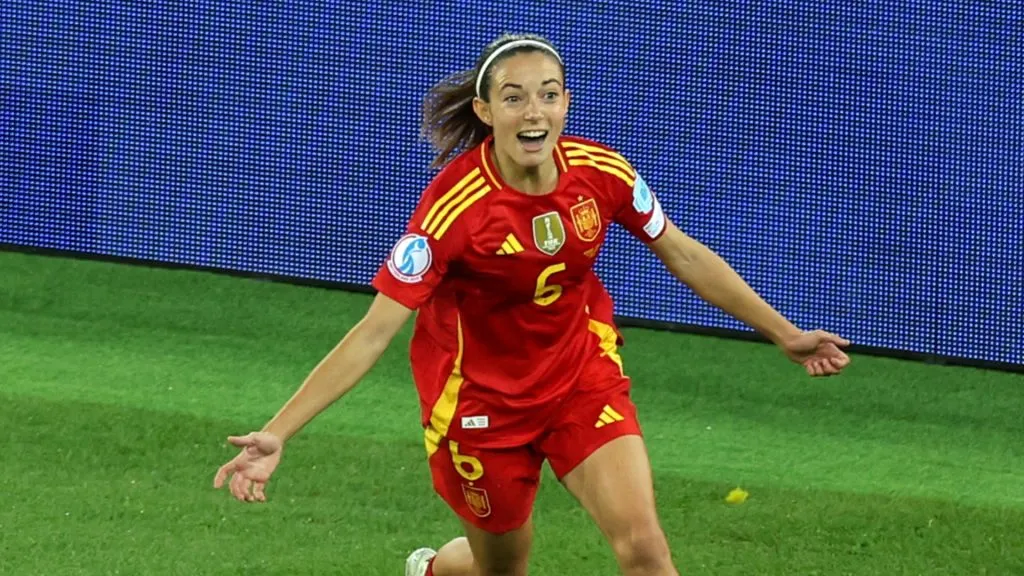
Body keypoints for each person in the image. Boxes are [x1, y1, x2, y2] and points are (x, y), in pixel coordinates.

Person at [213, 33, 851, 576]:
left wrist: (783, 332)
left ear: (565, 103)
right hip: (481, 406)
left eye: (548, 93)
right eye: (514, 97)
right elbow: (375, 331)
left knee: (646, 551)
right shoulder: (454, 209)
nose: (534, 110)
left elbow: (680, 250)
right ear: (487, 112)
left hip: (579, 377)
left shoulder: (601, 173)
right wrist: (279, 431)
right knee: (502, 568)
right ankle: (432, 568)